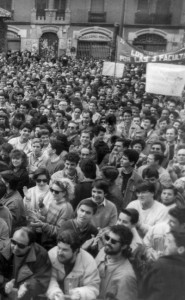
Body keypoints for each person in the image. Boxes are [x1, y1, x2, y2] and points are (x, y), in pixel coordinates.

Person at [46, 229, 100, 300]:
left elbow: (93, 287)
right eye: (59, 248)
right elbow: (48, 279)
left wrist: (79, 294)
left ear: (76, 251)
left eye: (65, 250)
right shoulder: (51, 255)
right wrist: (54, 292)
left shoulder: (88, 261)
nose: (59, 252)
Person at [30, 178, 74, 250]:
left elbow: (59, 231)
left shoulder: (66, 208)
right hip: (45, 239)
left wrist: (42, 225)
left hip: (54, 245)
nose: (53, 193)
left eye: (56, 192)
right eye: (52, 190)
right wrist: (40, 217)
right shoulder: (54, 201)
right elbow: (49, 220)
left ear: (64, 193)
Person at [96, 225, 138, 300]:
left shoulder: (126, 276)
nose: (107, 242)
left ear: (124, 246)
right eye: (107, 238)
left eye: (113, 241)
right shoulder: (104, 252)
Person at [141, 230, 185, 300]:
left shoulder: (160, 265)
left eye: (169, 242)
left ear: (181, 249)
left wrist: (156, 263)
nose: (165, 244)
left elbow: (144, 290)